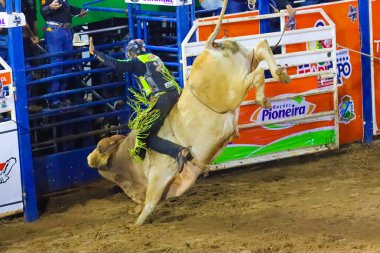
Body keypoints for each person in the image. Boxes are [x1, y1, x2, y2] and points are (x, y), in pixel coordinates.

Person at [89, 38, 192, 173]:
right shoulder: (154, 58)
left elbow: (117, 64)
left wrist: (96, 53)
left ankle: (178, 152)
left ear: (131, 53)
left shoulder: (138, 62)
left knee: (145, 136)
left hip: (163, 99)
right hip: (174, 94)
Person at [40, 0, 86, 108]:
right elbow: (43, 10)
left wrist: (79, 11)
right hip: (54, 30)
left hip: (66, 30)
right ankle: (54, 99)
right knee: (57, 64)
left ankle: (61, 96)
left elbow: (66, 7)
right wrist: (50, 7)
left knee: (68, 64)